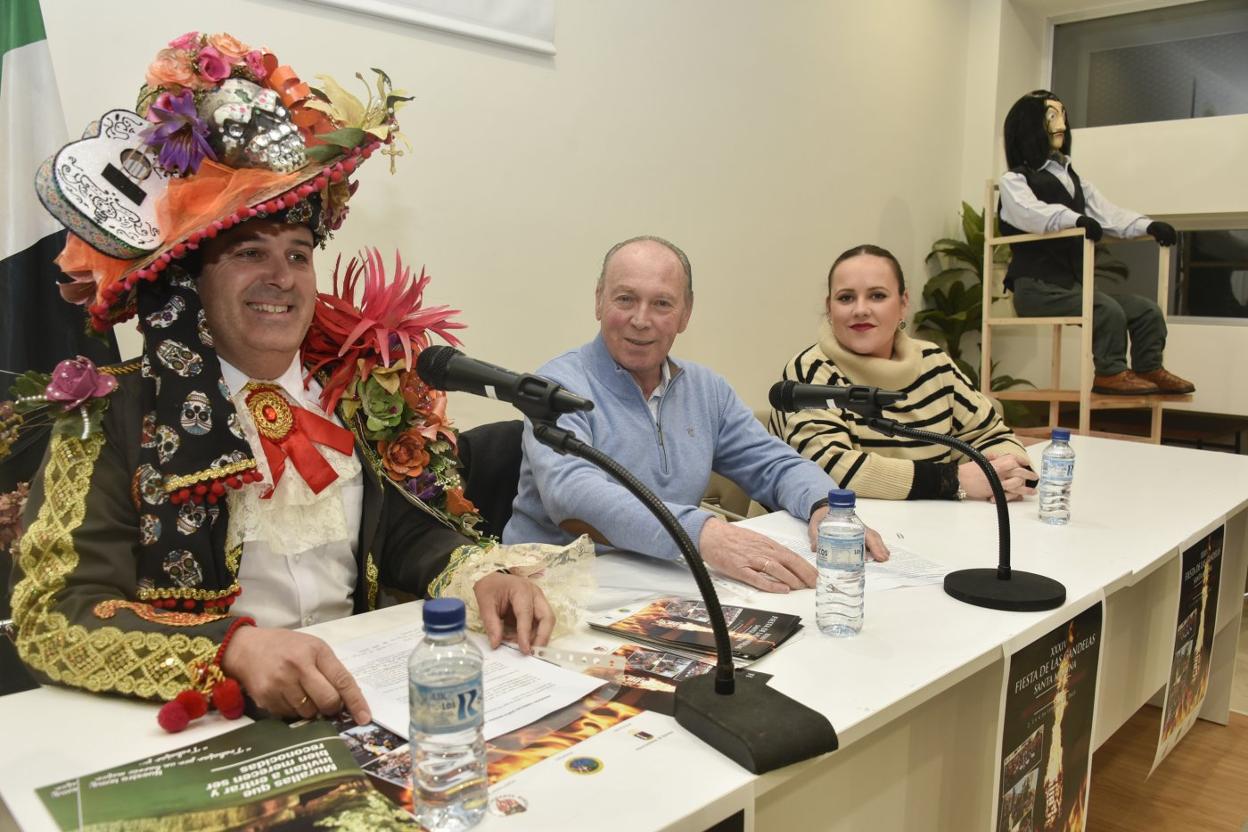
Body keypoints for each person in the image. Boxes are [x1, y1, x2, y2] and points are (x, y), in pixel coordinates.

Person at [9, 32, 556, 729]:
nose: (280, 277)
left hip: (358, 707)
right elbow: (53, 614)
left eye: (298, 256)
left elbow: (401, 539)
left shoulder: (351, 395)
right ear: (192, 280)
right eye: (249, 253)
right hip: (200, 725)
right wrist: (230, 650)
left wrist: (486, 576)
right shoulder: (112, 412)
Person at [502, 235, 888, 594]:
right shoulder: (555, 386)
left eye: (662, 303)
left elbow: (772, 463)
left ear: (685, 313)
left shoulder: (706, 390)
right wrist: (704, 534)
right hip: (554, 590)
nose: (641, 319)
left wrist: (824, 505)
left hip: (664, 581)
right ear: (599, 300)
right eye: (625, 299)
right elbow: (573, 497)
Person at [770, 244, 1036, 502]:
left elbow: (993, 435)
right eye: (846, 298)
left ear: (903, 302)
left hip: (928, 526)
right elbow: (829, 468)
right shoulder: (810, 369)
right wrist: (953, 481)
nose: (860, 309)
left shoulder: (934, 362)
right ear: (830, 307)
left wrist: (1009, 473)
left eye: (877, 295)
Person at [998, 89, 1194, 396]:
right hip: (1037, 289)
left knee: (1146, 310)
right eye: (1051, 116)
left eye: (1062, 114)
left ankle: (1148, 367)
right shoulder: (1015, 180)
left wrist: (1148, 225)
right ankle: (1110, 372)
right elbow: (1029, 214)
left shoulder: (1073, 178)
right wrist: (1072, 219)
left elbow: (1107, 214)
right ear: (1030, 126)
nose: (1060, 123)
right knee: (1105, 309)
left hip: (1074, 288)